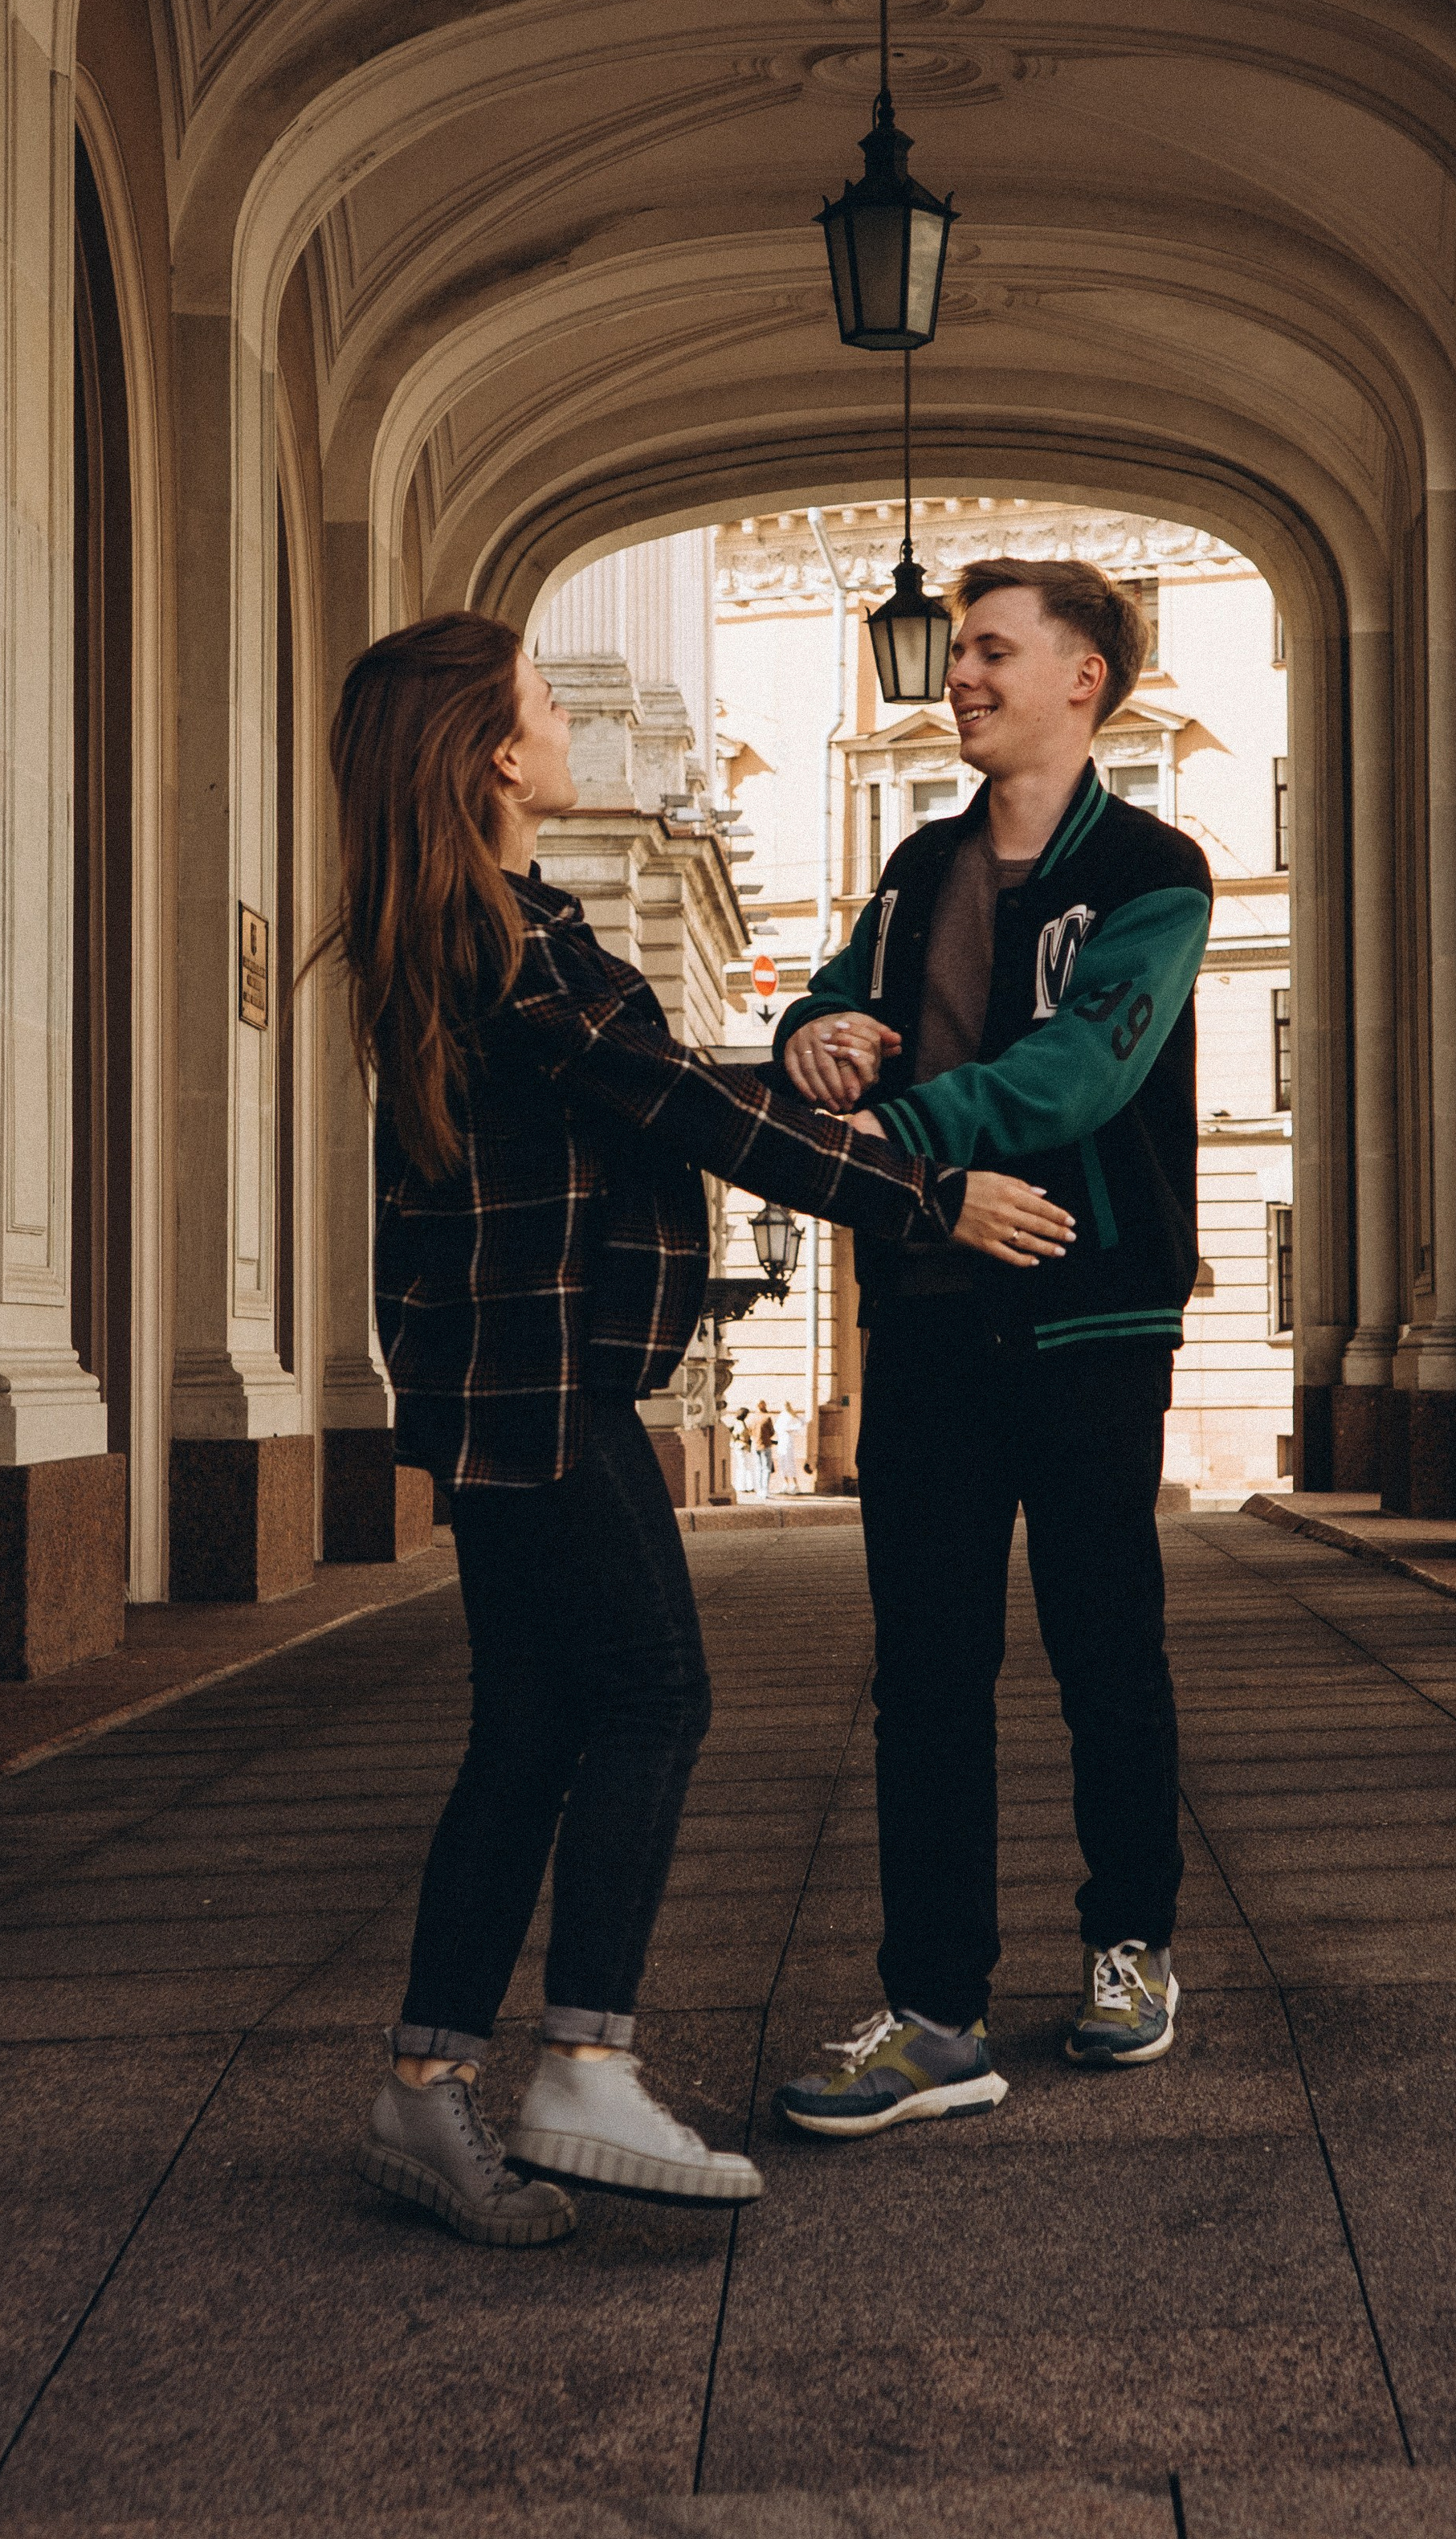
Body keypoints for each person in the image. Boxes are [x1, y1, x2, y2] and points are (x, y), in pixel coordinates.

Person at [317, 610, 1074, 2244]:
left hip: (502, 1391)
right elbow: (681, 1107)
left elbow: (669, 1082)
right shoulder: (501, 946)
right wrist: (930, 1195)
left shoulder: (485, 933)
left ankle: (424, 2089)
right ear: (499, 754)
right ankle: (584, 2060)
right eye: (536, 697)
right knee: (656, 1689)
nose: (560, 717)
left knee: (527, 1730)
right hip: (539, 1396)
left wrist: (802, 1065)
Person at [769, 558, 1213, 2136]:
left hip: (1089, 1316)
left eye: (987, 652)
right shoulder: (913, 869)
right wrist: (807, 1038)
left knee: (1106, 1644)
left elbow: (1070, 1081)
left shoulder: (1154, 869)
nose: (955, 675)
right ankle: (933, 2010)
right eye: (955, 652)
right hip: (931, 1318)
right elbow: (824, 1010)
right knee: (927, 1671)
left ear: (1083, 678)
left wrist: (888, 1142)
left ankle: (1127, 1944)